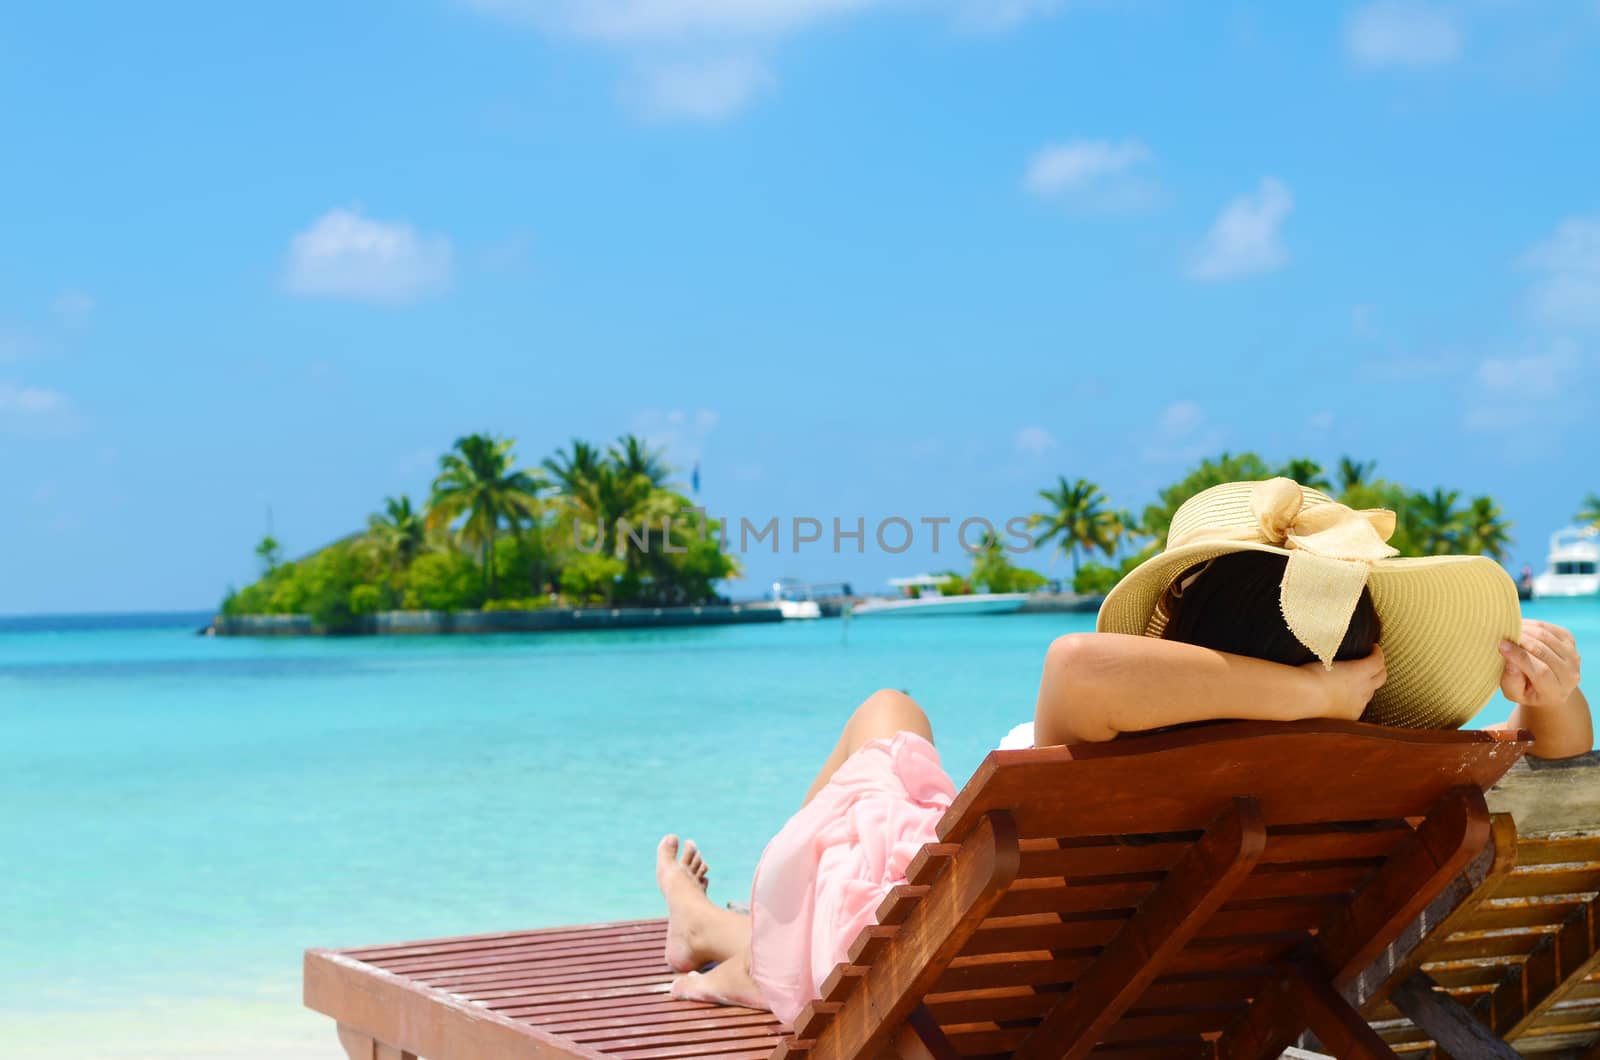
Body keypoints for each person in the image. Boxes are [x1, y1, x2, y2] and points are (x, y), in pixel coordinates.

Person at [654, 478, 1592, 1022]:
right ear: (1368, 645)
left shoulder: (1132, 728)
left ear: (1179, 617)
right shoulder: (1372, 758)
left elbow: (1076, 665)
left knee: (886, 716)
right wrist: (1559, 703)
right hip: (1139, 977)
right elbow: (1538, 766)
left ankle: (720, 938)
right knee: (887, 760)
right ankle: (719, 934)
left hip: (957, 960)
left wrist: (1304, 690)